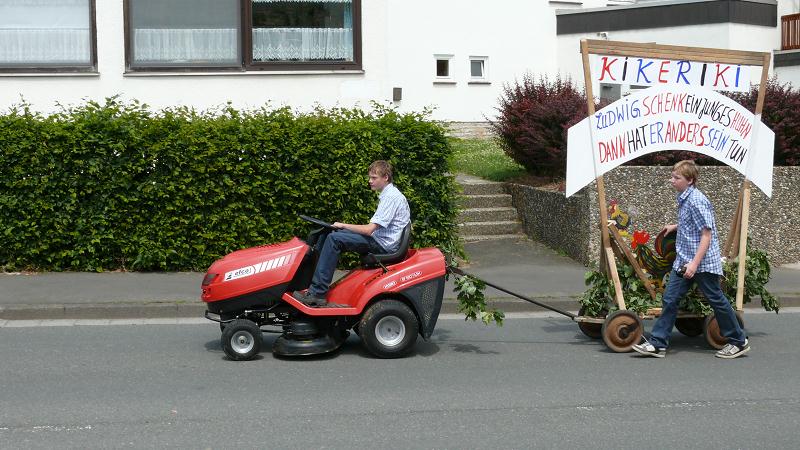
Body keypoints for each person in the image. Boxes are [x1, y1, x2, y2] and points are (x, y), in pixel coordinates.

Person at [632, 160, 749, 359]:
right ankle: (658, 344)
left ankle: (738, 341)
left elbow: (706, 234)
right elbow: (694, 223)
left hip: (701, 262)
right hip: (685, 260)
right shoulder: (685, 197)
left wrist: (695, 263)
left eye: (677, 178)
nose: (672, 181)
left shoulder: (697, 200)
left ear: (690, 180)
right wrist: (676, 226)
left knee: (716, 300)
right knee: (670, 298)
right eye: (672, 176)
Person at [294, 160, 410, 307]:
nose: (370, 181)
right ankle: (312, 287)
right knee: (328, 232)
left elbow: (369, 230)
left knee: (334, 239)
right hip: (381, 240)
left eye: (374, 178)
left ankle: (317, 293)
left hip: (383, 245)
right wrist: (338, 227)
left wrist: (342, 225)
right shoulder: (389, 194)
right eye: (370, 177)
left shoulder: (391, 197)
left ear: (385, 177)